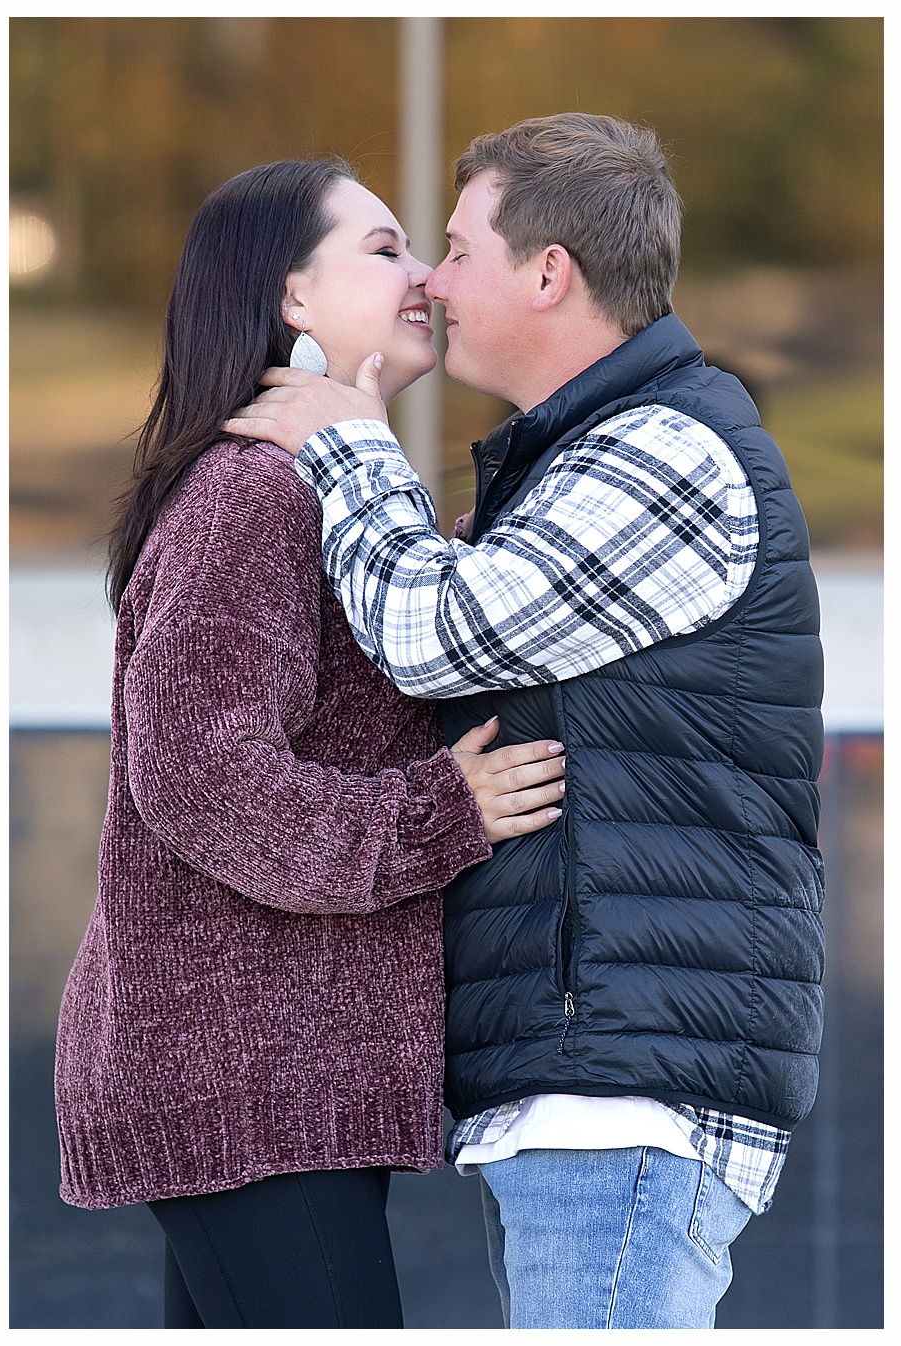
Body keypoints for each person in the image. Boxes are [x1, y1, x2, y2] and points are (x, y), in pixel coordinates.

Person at [225, 114, 824, 1329]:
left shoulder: (673, 451)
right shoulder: (590, 454)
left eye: (454, 248)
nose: (434, 282)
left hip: (623, 1093)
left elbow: (434, 630)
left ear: (549, 272)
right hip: (583, 1082)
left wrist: (350, 440)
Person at [54, 159, 568, 1330]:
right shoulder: (258, 492)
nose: (423, 275)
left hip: (281, 1077)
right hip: (244, 1073)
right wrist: (442, 810)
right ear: (292, 300)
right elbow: (196, 771)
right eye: (384, 249)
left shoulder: (316, 491)